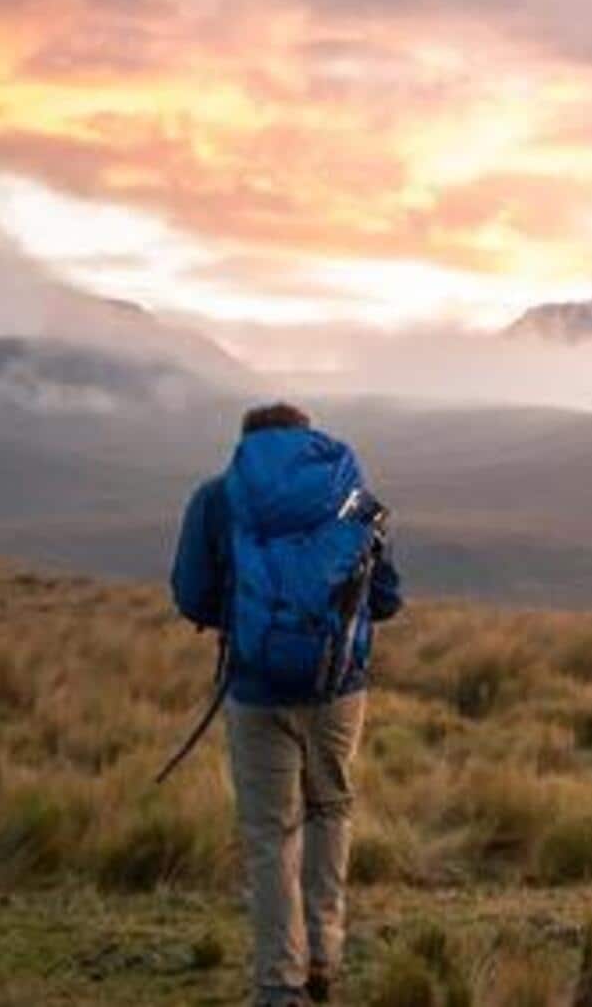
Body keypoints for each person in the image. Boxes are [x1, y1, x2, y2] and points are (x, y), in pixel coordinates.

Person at [170, 402, 402, 1006]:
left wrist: (251, 619)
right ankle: (324, 956)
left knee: (271, 835)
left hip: (254, 689)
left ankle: (280, 986)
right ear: (310, 440)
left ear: (248, 445)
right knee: (331, 809)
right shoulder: (354, 499)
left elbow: (191, 595)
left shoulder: (217, 498)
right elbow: (389, 597)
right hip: (338, 686)